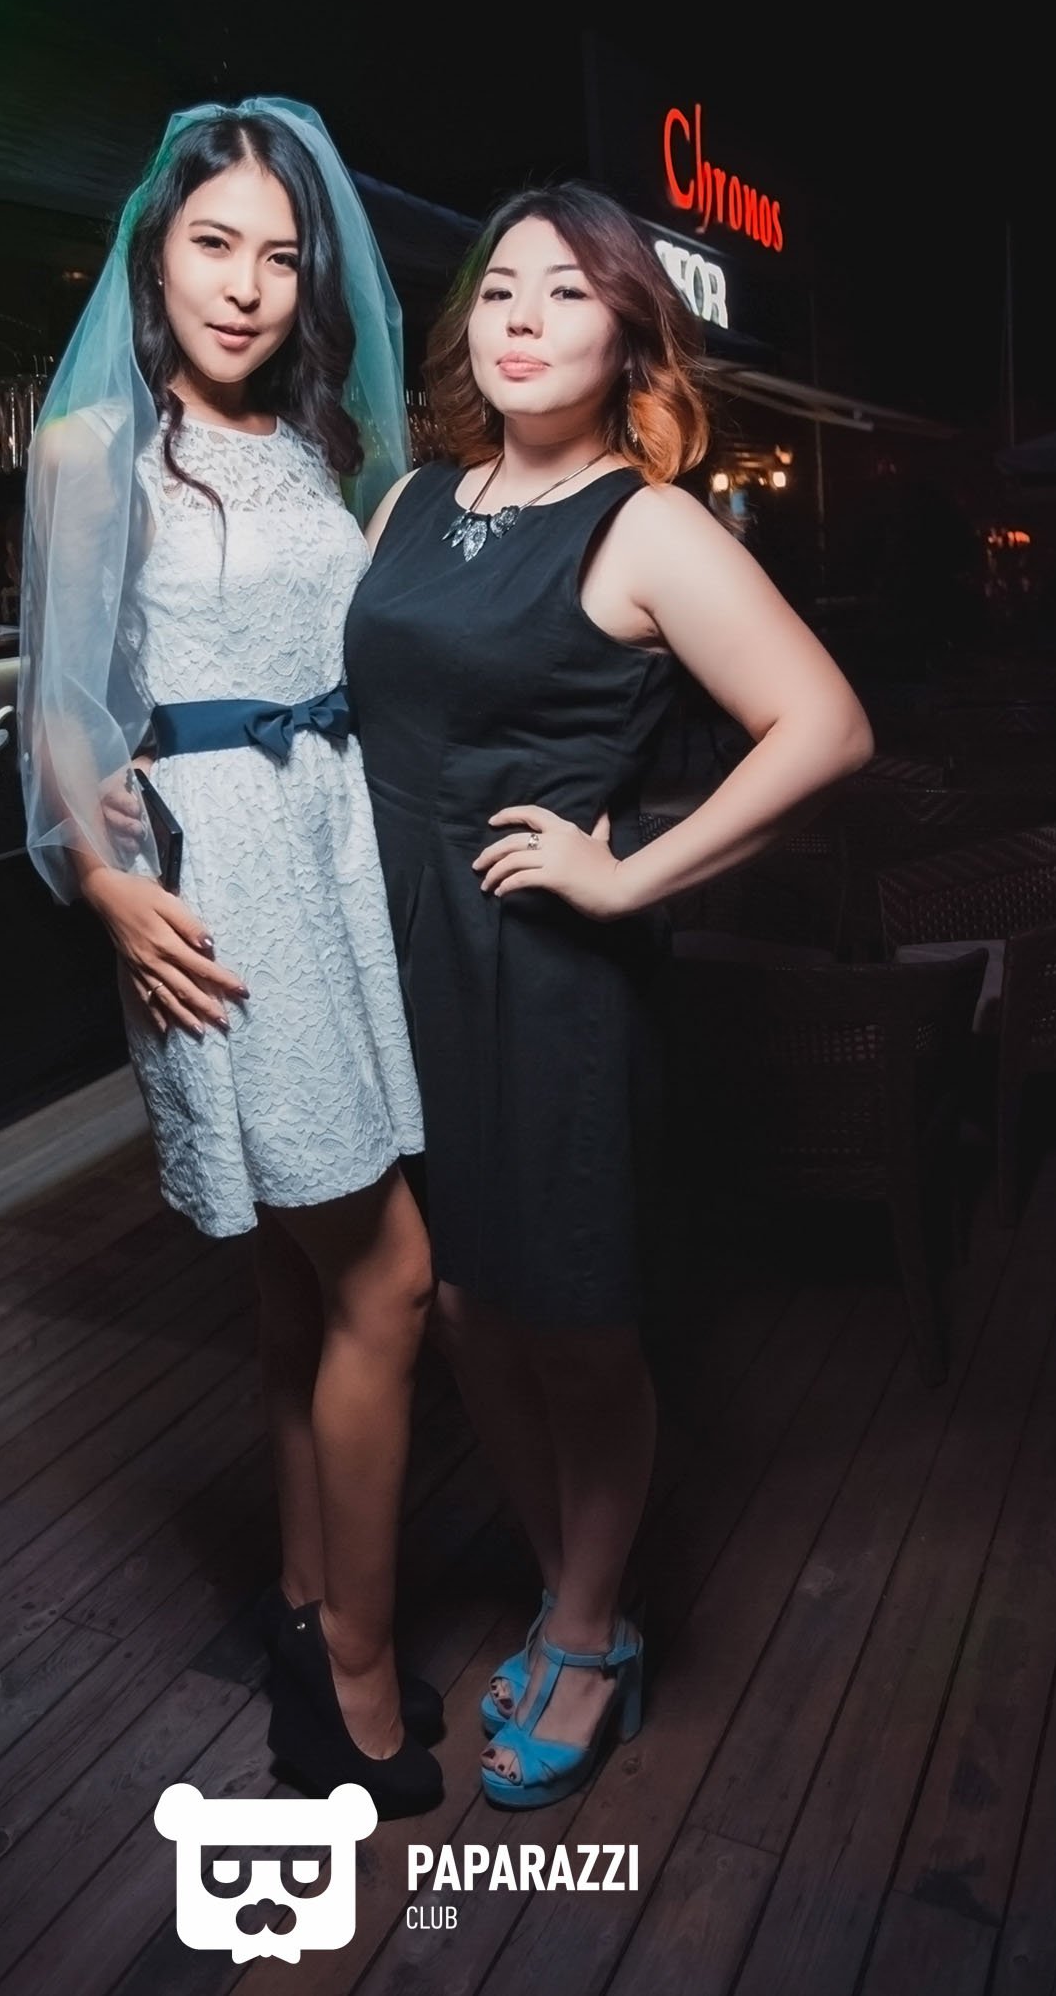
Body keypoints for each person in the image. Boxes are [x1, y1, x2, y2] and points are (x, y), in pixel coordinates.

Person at [345, 181, 873, 1810]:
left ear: (629, 338)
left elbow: (826, 726)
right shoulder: (409, 500)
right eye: (502, 288)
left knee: (570, 1319)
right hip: (403, 955)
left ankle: (586, 1631)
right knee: (457, 1303)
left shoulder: (645, 524)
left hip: (548, 975)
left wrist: (631, 876)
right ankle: (564, 1586)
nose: (523, 318)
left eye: (568, 293)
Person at [18, 100, 441, 1818]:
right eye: (214, 245)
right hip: (224, 880)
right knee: (388, 1277)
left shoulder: (327, 441)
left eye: (278, 253)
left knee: (298, 1283)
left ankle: (301, 1602)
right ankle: (355, 1676)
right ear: (156, 253)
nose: (247, 285)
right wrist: (106, 884)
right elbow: (57, 698)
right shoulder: (90, 449)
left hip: (337, 847)